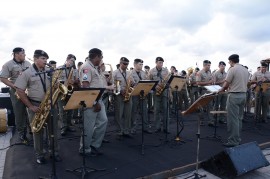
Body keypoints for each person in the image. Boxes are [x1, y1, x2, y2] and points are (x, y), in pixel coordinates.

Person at [14, 49, 62, 164]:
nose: (46, 61)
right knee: (37, 131)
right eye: (43, 59)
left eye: (46, 59)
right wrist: (30, 106)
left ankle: (54, 152)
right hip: (36, 105)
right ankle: (40, 155)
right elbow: (19, 91)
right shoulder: (27, 72)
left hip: (50, 104)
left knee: (54, 130)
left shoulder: (49, 71)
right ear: (35, 59)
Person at [79, 48, 108, 156]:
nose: (101, 59)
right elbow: (86, 86)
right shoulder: (86, 67)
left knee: (103, 121)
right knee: (88, 126)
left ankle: (94, 145)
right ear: (96, 57)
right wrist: (95, 103)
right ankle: (85, 149)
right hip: (91, 101)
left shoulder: (95, 67)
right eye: (101, 57)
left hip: (98, 99)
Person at [0, 47, 31, 143]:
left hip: (28, 90)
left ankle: (32, 129)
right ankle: (21, 133)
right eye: (23, 53)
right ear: (16, 54)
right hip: (16, 91)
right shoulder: (8, 65)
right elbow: (2, 78)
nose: (25, 55)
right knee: (19, 112)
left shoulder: (28, 63)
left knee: (30, 110)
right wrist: (14, 86)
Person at [218, 54, 249, 147]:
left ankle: (233, 141)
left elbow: (226, 84)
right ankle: (237, 139)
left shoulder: (232, 69)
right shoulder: (245, 69)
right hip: (243, 95)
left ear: (231, 61)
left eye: (229, 62)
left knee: (232, 120)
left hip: (234, 96)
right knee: (239, 119)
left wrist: (221, 89)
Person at [113, 57, 134, 137]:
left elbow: (133, 83)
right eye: (124, 64)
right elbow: (113, 84)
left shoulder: (129, 73)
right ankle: (119, 131)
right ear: (120, 63)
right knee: (119, 114)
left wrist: (132, 83)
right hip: (119, 95)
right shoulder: (115, 73)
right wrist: (120, 90)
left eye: (127, 64)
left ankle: (126, 131)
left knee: (128, 114)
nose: (126, 66)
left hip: (128, 94)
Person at [148, 57, 170, 133]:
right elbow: (149, 82)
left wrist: (167, 85)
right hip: (156, 92)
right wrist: (155, 87)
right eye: (159, 62)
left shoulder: (166, 70)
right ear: (156, 62)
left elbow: (169, 81)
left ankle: (165, 128)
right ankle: (157, 127)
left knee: (165, 109)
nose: (161, 64)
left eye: (162, 63)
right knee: (156, 110)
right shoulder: (151, 71)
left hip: (164, 92)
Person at [130, 59, 152, 134]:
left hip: (143, 94)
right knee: (134, 112)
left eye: (142, 64)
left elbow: (146, 81)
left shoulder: (143, 73)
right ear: (135, 64)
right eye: (140, 64)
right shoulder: (130, 73)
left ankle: (145, 128)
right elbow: (131, 84)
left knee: (144, 111)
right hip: (135, 95)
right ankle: (132, 128)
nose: (141, 66)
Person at [58, 54, 77, 136]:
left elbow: (77, 80)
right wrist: (62, 84)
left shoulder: (74, 70)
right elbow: (55, 80)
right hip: (61, 92)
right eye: (71, 61)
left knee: (70, 110)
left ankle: (69, 125)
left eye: (73, 61)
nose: (72, 63)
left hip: (70, 91)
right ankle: (63, 127)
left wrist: (74, 81)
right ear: (67, 59)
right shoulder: (59, 68)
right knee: (62, 111)